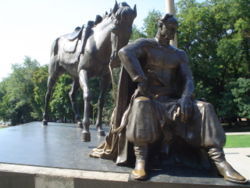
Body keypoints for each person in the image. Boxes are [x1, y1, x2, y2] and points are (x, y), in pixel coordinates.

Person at [90, 14, 247, 184]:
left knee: (206, 107)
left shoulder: (179, 54)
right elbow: (124, 52)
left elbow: (188, 79)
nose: (173, 33)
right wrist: (140, 80)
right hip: (150, 98)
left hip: (173, 100)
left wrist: (186, 97)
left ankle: (220, 161)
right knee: (141, 104)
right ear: (161, 25)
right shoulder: (146, 45)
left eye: (175, 30)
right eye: (170, 29)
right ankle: (140, 160)